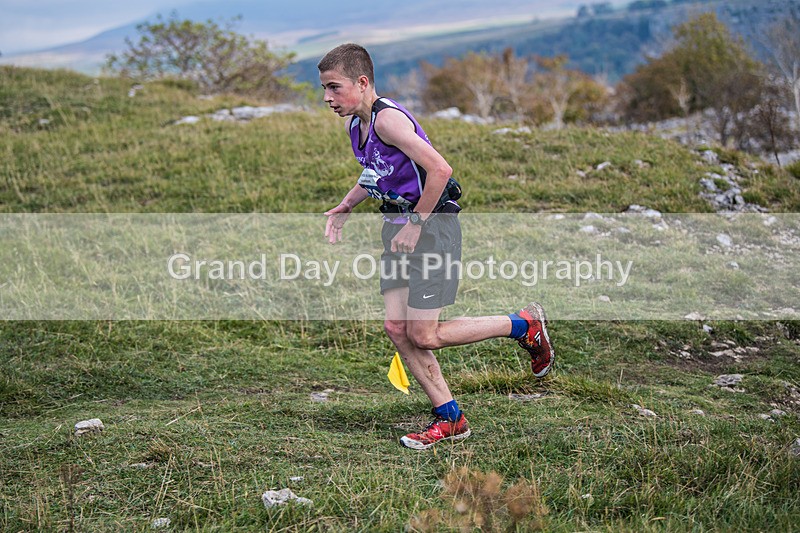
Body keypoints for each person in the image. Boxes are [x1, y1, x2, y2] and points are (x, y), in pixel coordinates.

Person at [318, 43, 555, 450]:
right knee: (397, 328)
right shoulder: (355, 127)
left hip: (429, 228)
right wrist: (346, 204)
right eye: (323, 89)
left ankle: (523, 325)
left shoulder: (388, 121)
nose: (327, 98)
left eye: (334, 88)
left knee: (425, 334)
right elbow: (375, 171)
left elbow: (441, 170)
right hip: (396, 227)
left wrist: (416, 222)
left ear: (362, 82)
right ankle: (450, 418)